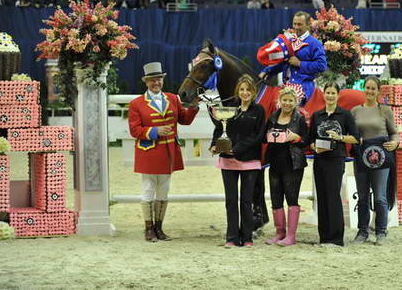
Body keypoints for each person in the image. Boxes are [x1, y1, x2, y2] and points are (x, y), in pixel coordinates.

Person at [128, 62, 199, 242]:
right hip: (149, 151)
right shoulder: (136, 104)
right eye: (152, 80)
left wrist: (194, 107)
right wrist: (154, 131)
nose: (156, 83)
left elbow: (184, 120)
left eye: (158, 79)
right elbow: (134, 130)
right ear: (146, 82)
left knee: (164, 191)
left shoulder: (172, 98)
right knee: (147, 189)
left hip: (168, 151)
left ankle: (159, 228)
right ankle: (148, 228)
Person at [210, 75, 265, 248]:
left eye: (248, 89)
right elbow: (220, 129)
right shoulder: (229, 109)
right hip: (228, 161)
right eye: (242, 89)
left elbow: (258, 136)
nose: (245, 92)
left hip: (249, 160)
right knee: (231, 200)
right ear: (237, 91)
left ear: (253, 92)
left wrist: (238, 148)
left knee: (246, 200)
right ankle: (232, 237)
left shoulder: (259, 111)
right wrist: (214, 145)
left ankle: (247, 237)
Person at [351, 76, 399, 246]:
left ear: (378, 91)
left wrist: (395, 142)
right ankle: (362, 231)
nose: (370, 91)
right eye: (367, 88)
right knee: (362, 197)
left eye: (373, 88)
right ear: (364, 89)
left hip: (382, 159)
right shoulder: (355, 111)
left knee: (380, 198)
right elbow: (352, 134)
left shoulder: (385, 110)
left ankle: (381, 231)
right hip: (361, 159)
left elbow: (394, 132)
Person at [310, 83, 359, 247]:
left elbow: (355, 138)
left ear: (338, 96)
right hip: (320, 160)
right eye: (327, 93)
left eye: (333, 93)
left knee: (333, 197)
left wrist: (340, 138)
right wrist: (314, 147)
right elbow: (310, 141)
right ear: (324, 95)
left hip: (336, 160)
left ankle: (336, 238)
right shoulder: (317, 115)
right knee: (322, 198)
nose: (330, 96)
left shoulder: (345, 115)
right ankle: (324, 237)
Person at [264, 88, 309, 246]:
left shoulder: (299, 118)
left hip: (293, 164)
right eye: (285, 100)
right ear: (280, 101)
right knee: (276, 198)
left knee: (291, 198)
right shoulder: (273, 117)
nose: (287, 103)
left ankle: (291, 235)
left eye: (290, 100)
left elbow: (306, 141)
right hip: (275, 163)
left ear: (295, 102)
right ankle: (279, 233)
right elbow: (264, 136)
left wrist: (296, 138)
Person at [258, 11, 327, 105]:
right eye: (294, 24)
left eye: (299, 24)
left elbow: (322, 65)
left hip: (303, 87)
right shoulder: (289, 41)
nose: (296, 27)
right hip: (286, 84)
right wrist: (267, 71)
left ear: (308, 25)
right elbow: (282, 63)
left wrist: (300, 63)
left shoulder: (315, 43)